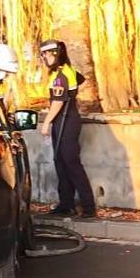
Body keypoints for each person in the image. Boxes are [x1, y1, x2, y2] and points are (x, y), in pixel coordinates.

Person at [39, 39, 97, 218]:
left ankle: (88, 207)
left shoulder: (61, 75)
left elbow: (58, 102)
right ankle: (66, 204)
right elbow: (80, 79)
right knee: (61, 163)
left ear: (55, 54)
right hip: (64, 121)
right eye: (43, 55)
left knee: (71, 164)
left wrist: (47, 122)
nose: (44, 58)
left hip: (66, 122)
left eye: (47, 54)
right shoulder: (65, 72)